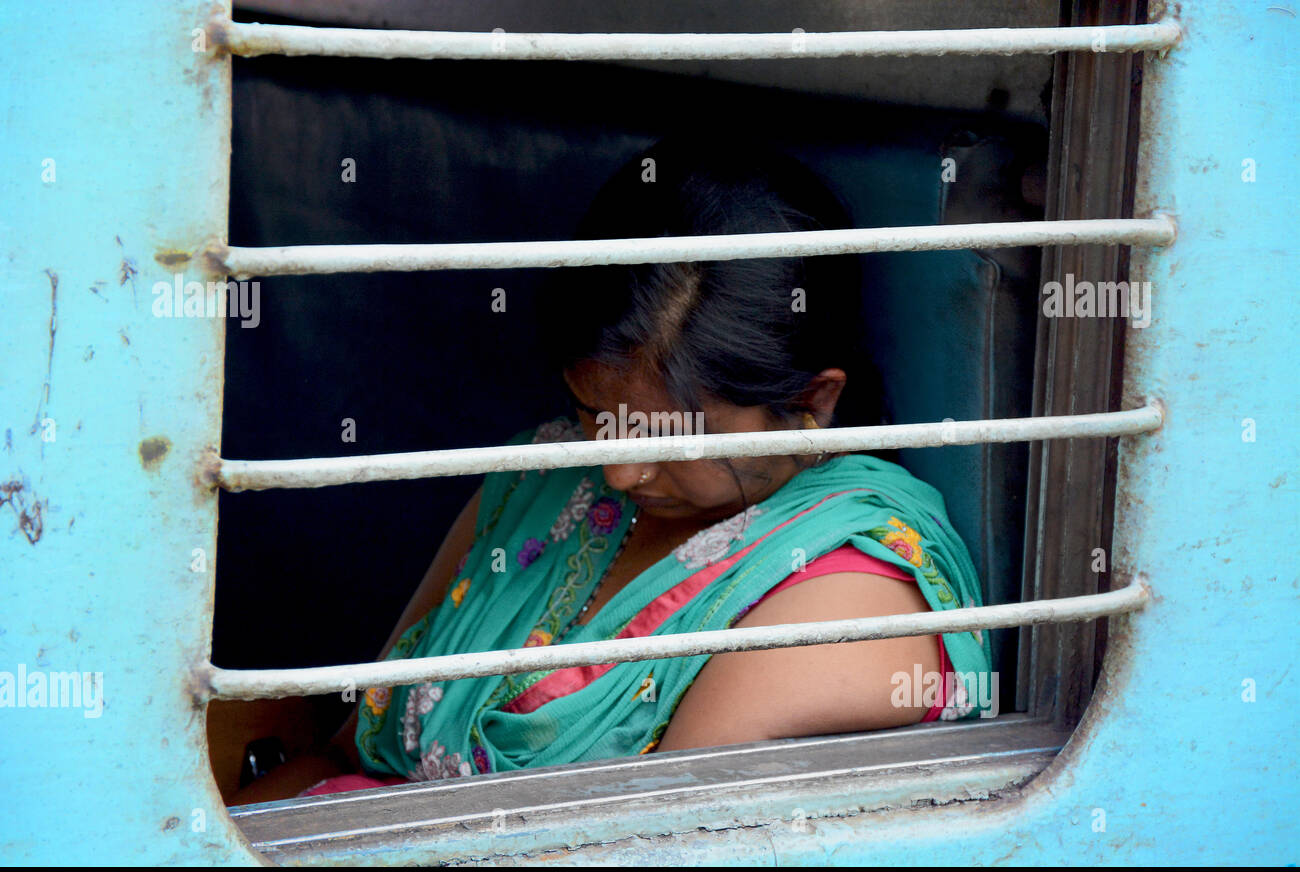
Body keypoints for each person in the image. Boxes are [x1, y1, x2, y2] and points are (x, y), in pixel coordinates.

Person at [227, 135, 992, 805]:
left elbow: (658, 841)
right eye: (598, 413)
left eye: (671, 438)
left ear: (812, 403)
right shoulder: (548, 475)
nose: (620, 471)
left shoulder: (845, 600)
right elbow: (343, 751)